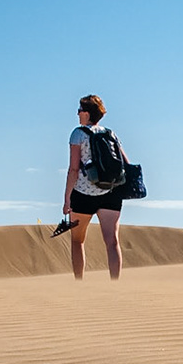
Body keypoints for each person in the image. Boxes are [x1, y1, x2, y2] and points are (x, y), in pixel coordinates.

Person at [62, 93, 128, 280]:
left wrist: (67, 198)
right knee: (112, 241)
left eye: (80, 110)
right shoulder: (110, 133)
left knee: (77, 240)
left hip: (83, 194)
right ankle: (115, 283)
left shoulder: (78, 134)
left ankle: (79, 284)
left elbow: (74, 169)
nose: (78, 113)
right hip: (110, 193)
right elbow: (125, 163)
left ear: (87, 113)